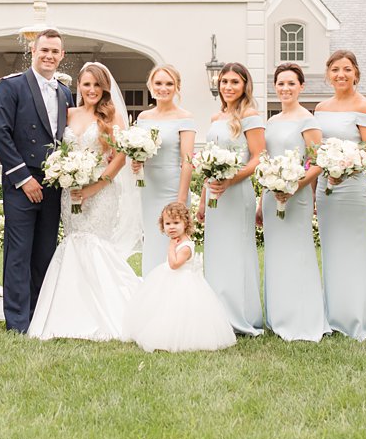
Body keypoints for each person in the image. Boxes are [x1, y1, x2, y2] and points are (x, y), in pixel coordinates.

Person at [26, 61, 141, 341]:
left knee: (95, 244)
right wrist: (65, 176)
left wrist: (94, 187)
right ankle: (68, 310)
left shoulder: (111, 118)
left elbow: (120, 158)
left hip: (101, 193)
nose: (91, 90)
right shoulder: (68, 114)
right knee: (74, 241)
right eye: (86, 84)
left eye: (96, 85)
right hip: (70, 190)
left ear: (104, 88)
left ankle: (107, 311)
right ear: (79, 86)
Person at [0, 28, 71, 334]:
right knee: (19, 253)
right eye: (43, 50)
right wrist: (24, 178)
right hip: (23, 183)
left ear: (62, 56)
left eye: (55, 51)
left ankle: (38, 315)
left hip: (53, 182)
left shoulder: (64, 92)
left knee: (45, 252)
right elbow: (0, 134)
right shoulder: (12, 86)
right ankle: (17, 322)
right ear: (33, 52)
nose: (49, 56)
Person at [314, 49, 366, 340]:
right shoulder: (320, 108)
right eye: (335, 69)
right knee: (332, 248)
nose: (341, 75)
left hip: (354, 185)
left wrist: (347, 166)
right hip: (326, 187)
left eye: (346, 69)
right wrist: (327, 167)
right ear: (327, 74)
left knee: (356, 247)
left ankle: (361, 317)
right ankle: (334, 315)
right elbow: (316, 147)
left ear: (356, 73)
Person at [261, 62, 329, 342]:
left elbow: (318, 162)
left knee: (298, 254)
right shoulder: (271, 122)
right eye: (281, 83)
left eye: (291, 83)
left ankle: (303, 318)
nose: (285, 88)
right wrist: (264, 197)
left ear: (301, 86)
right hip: (271, 195)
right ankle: (279, 316)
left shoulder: (308, 120)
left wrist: (293, 186)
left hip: (296, 196)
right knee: (276, 255)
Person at [199, 62, 266, 336]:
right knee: (216, 252)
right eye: (224, 81)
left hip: (238, 193)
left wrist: (231, 179)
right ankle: (217, 314)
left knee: (237, 251)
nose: (228, 86)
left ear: (244, 85)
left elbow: (259, 156)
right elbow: (209, 161)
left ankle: (241, 314)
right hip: (215, 194)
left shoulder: (251, 116)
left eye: (234, 82)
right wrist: (204, 199)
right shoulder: (216, 119)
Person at [121, 201, 236, 353]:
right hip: (169, 278)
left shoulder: (186, 246)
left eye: (176, 222)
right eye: (168, 223)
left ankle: (180, 338)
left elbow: (174, 264)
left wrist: (171, 247)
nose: (172, 227)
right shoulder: (177, 241)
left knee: (180, 310)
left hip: (183, 281)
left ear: (185, 223)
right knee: (162, 307)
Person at [131, 64, 195, 276]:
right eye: (158, 83)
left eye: (169, 83)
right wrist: (137, 162)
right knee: (152, 237)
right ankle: (151, 288)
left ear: (177, 87)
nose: (163, 88)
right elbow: (140, 153)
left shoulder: (184, 117)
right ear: (150, 85)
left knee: (173, 239)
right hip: (149, 187)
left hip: (172, 186)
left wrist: (181, 198)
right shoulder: (144, 118)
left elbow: (187, 161)